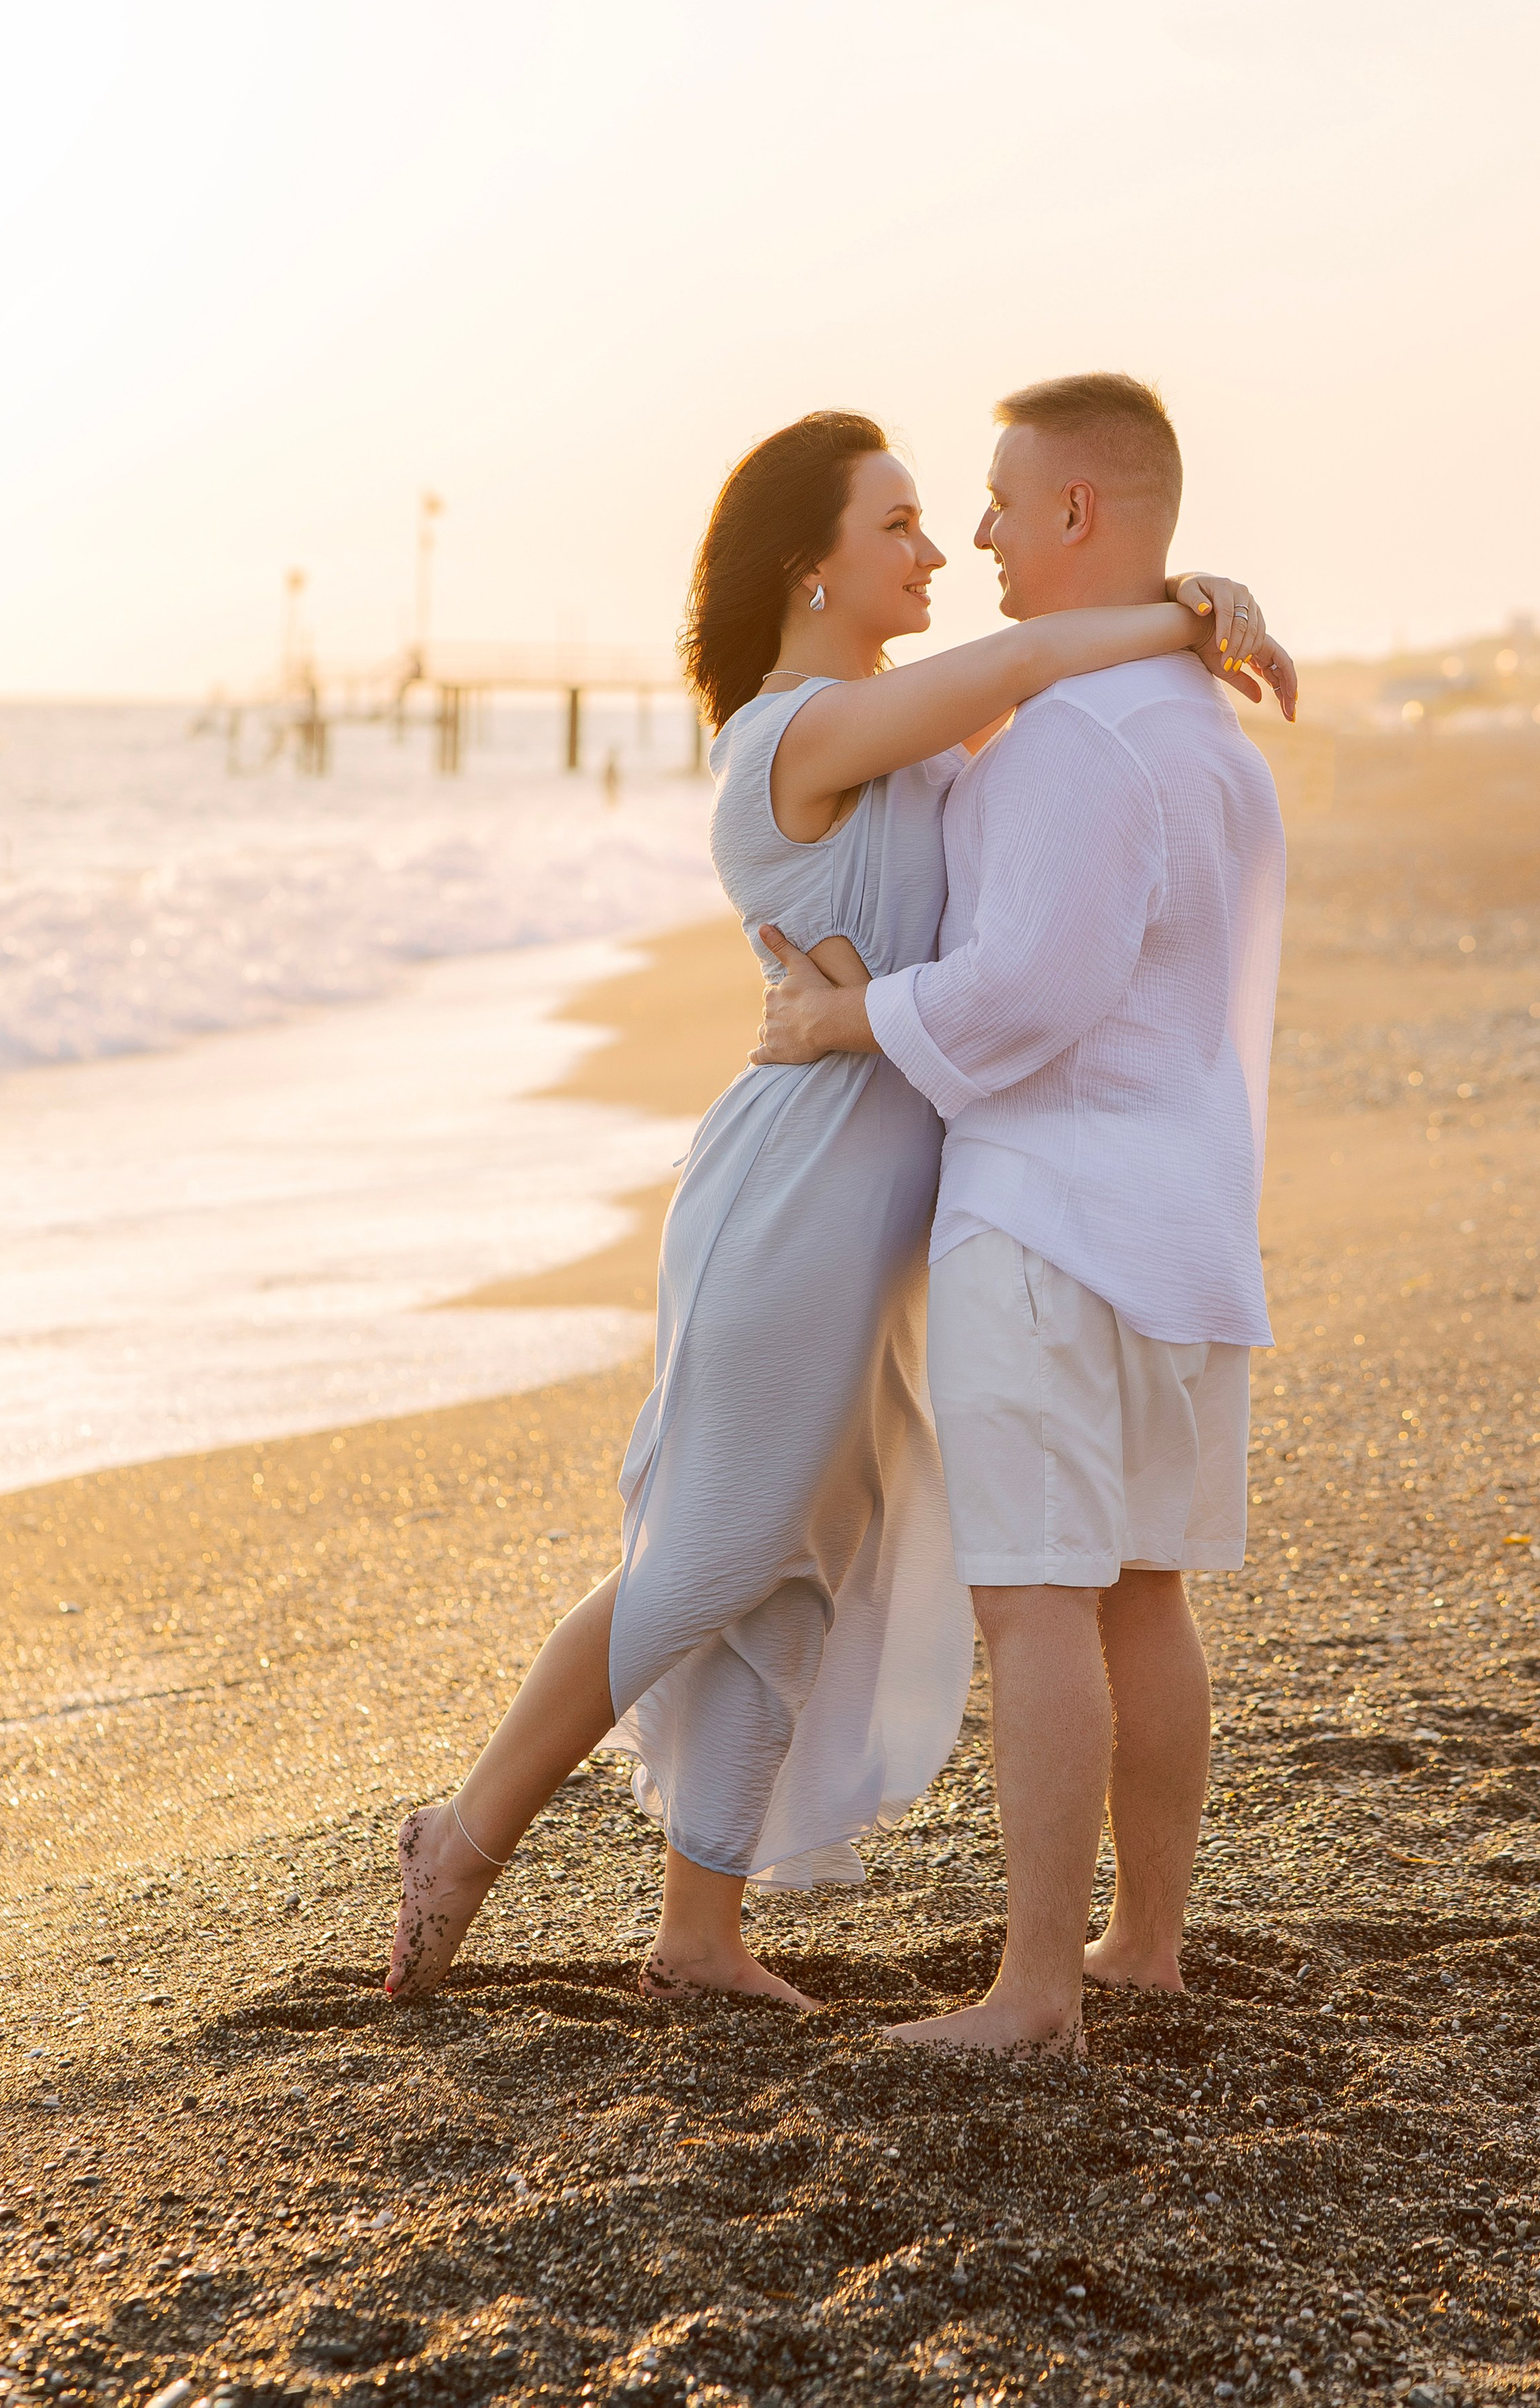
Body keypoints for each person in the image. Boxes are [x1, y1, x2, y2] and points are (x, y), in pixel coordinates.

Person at [384, 404, 1290, 2006]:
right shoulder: (791, 737)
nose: (937, 551)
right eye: (898, 526)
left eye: (945, 521)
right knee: (715, 1549)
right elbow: (1026, 673)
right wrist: (1181, 608)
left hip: (884, 1202)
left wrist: (1187, 595)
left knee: (802, 1560)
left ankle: (697, 1934)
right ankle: (459, 1837)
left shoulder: (916, 736)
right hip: (795, 1186)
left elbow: (1036, 776)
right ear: (809, 565)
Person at [754, 372, 1288, 2053]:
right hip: (1182, 1222)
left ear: (1076, 515)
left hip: (1053, 1227)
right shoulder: (1190, 721)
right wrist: (1197, 609)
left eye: (997, 499)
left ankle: (1036, 1992)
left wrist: (840, 1022)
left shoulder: (1082, 733)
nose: (974, 531)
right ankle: (1137, 1947)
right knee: (1141, 1594)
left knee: (1037, 1602)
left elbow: (1027, 988)